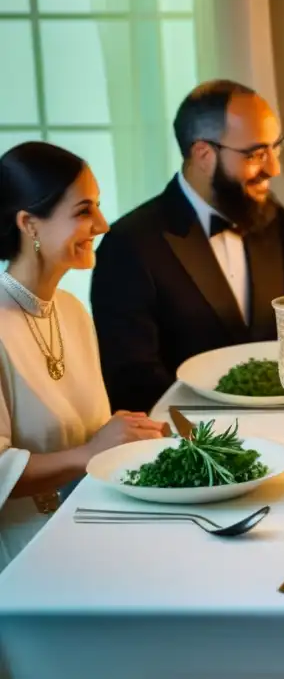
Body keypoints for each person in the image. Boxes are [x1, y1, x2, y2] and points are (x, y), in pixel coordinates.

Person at [91, 80, 284, 413]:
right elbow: (133, 382)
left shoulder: (275, 221)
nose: (274, 168)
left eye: (276, 148)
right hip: (190, 442)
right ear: (204, 154)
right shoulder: (129, 245)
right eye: (256, 154)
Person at [0, 142, 166, 570]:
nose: (103, 225)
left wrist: (130, 432)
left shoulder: (72, 311)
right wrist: (89, 452)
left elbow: (96, 437)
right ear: (29, 225)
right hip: (24, 554)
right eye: (83, 211)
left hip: (93, 523)